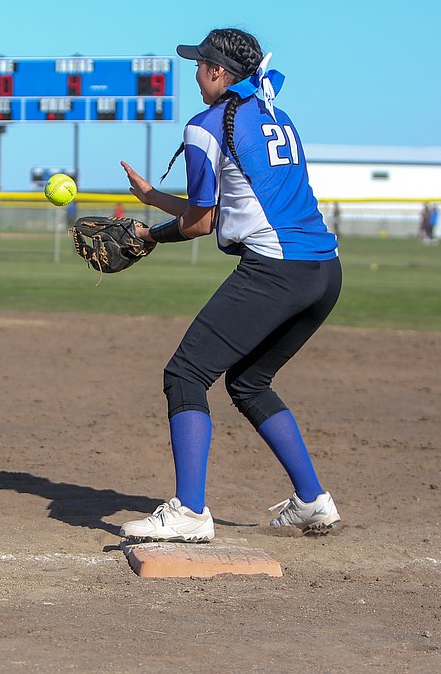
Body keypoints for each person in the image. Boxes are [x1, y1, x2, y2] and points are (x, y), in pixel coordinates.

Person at [118, 28, 342, 542]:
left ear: (219, 72)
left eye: (200, 65)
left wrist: (148, 237)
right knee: (248, 383)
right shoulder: (273, 116)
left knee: (185, 374)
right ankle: (313, 501)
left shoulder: (206, 125)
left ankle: (190, 512)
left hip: (275, 269)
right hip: (323, 273)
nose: (195, 73)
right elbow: (216, 212)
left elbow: (200, 226)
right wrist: (155, 200)